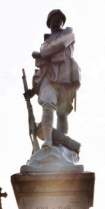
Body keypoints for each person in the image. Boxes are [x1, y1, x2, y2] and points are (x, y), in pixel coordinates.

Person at [24, 9, 81, 148]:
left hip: (64, 75)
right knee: (47, 104)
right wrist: (34, 89)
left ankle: (62, 145)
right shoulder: (45, 42)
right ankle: (48, 141)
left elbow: (61, 45)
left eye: (60, 18)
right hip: (47, 76)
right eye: (54, 18)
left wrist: (41, 54)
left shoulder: (68, 32)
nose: (58, 20)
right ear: (49, 23)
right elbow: (42, 67)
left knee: (62, 112)